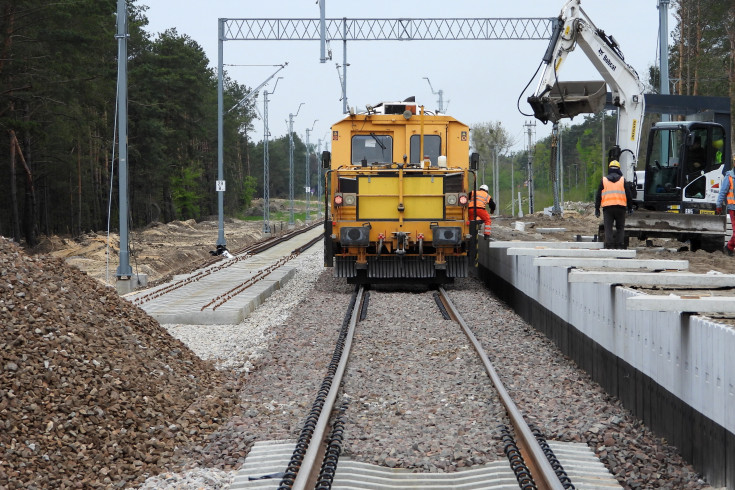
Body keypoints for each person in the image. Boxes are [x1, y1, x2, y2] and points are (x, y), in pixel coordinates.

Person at [594, 160, 634, 249]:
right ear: (619, 169)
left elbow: (598, 196)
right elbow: (629, 195)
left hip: (608, 209)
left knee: (608, 228)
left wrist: (597, 209)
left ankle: (610, 245)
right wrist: (630, 207)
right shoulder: (623, 180)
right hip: (620, 208)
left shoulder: (604, 180)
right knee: (620, 227)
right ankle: (619, 245)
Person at [716, 157, 735, 256]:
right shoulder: (729, 176)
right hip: (733, 209)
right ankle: (729, 248)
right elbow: (722, 192)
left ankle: (729, 248)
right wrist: (718, 205)